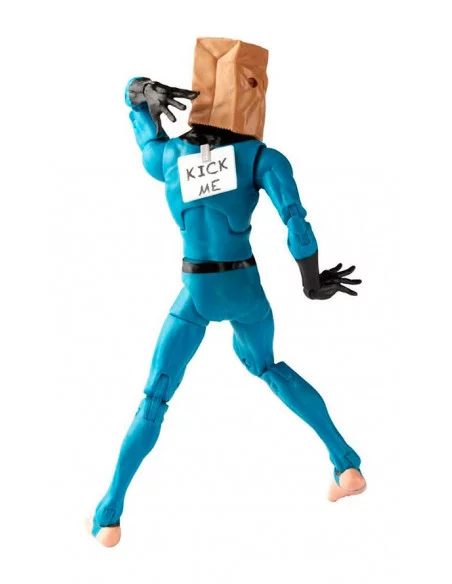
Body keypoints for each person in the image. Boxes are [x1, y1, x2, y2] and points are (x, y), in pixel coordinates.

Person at [88, 38, 366, 548]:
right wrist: (311, 282)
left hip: (196, 289)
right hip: (245, 285)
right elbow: (297, 224)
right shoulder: (262, 157)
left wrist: (142, 91)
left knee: (156, 396)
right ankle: (346, 463)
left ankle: (110, 512)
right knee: (268, 368)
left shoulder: (169, 156)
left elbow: (137, 118)